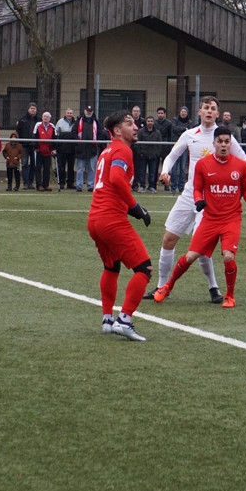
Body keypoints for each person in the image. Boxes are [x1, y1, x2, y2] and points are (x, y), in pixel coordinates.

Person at [153, 96, 246, 304]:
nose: (209, 111)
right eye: (205, 107)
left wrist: (234, 184)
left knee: (201, 247)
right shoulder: (189, 135)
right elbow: (171, 155)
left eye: (213, 108)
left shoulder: (225, 138)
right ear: (199, 112)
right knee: (168, 238)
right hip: (190, 194)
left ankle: (213, 288)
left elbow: (245, 164)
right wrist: (165, 171)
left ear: (217, 114)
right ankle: (161, 286)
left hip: (213, 201)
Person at [87, 110, 152, 341]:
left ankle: (107, 319)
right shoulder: (122, 149)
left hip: (95, 219)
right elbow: (115, 178)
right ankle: (124, 320)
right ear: (117, 131)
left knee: (112, 267)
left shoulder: (107, 150)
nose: (135, 127)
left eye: (135, 123)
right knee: (144, 269)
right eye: (129, 123)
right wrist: (135, 207)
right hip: (111, 218)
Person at [75, 105, 103, 191]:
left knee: (92, 169)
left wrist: (97, 143)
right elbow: (73, 133)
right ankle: (79, 186)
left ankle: (90, 186)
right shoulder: (78, 121)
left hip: (92, 149)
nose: (88, 112)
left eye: (90, 111)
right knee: (80, 169)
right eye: (87, 111)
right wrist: (78, 144)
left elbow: (100, 133)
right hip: (81, 149)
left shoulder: (96, 122)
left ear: (92, 112)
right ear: (84, 111)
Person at [169, 106, 195, 193]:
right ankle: (173, 188)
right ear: (179, 112)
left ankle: (181, 188)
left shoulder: (190, 122)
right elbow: (174, 129)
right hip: (176, 146)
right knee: (174, 168)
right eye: (182, 111)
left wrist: (185, 131)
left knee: (183, 168)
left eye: (185, 112)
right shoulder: (174, 120)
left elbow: (190, 132)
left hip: (185, 148)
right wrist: (184, 129)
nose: (183, 113)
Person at [135, 116, 162, 192]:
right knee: (142, 172)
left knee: (152, 173)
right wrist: (140, 153)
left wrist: (157, 154)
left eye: (151, 121)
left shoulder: (157, 132)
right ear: (146, 122)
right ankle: (142, 186)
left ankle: (151, 187)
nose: (150, 123)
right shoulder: (140, 132)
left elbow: (160, 144)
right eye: (148, 121)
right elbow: (137, 143)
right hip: (143, 155)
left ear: (153, 122)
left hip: (153, 156)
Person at [15, 102, 38, 189]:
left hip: (34, 146)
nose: (33, 110)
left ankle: (30, 182)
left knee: (33, 164)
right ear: (28, 109)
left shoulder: (38, 121)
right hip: (24, 145)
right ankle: (25, 182)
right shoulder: (22, 120)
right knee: (24, 164)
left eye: (34, 108)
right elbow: (18, 132)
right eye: (31, 108)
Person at [55, 108, 76, 191]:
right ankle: (62, 183)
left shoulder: (76, 122)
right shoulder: (60, 122)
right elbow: (56, 133)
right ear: (65, 113)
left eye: (71, 113)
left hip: (72, 148)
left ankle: (70, 183)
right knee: (61, 167)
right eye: (68, 113)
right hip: (62, 149)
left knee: (71, 167)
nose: (69, 114)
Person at [34, 111, 56, 191]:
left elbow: (54, 138)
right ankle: (39, 185)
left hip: (48, 151)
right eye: (44, 116)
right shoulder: (38, 125)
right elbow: (34, 136)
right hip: (39, 151)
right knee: (38, 168)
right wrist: (36, 147)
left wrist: (53, 149)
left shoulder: (52, 126)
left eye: (47, 117)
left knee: (47, 169)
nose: (45, 118)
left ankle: (46, 185)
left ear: (50, 118)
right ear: (42, 117)